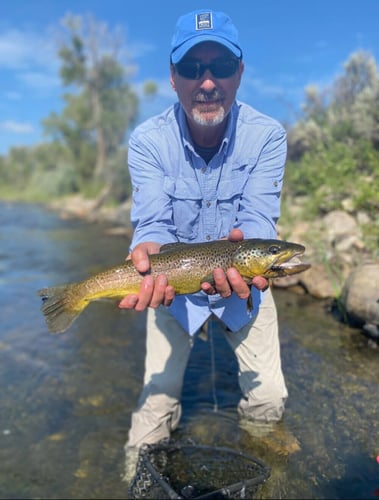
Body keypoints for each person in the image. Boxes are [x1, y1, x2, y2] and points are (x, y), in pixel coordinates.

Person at [120, 9, 291, 481]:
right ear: (173, 78)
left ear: (240, 72)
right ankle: (135, 481)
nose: (208, 81)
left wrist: (260, 254)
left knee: (269, 401)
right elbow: (151, 221)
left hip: (243, 287)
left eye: (220, 67)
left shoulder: (268, 136)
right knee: (153, 412)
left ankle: (269, 464)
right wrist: (147, 249)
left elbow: (259, 222)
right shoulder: (147, 141)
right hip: (170, 289)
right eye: (194, 68)